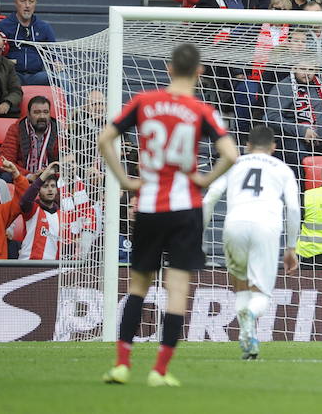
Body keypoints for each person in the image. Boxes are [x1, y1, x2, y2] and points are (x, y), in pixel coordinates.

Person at [98, 43, 239, 387]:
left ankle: (121, 365)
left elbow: (105, 139)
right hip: (185, 206)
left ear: (168, 68)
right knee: (177, 289)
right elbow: (231, 155)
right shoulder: (201, 109)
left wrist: (124, 180)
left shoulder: (143, 102)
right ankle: (160, 371)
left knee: (137, 286)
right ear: (199, 72)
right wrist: (204, 179)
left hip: (147, 205)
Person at [203, 124, 300, 361]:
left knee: (241, 286)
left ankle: (247, 336)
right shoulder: (282, 169)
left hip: (234, 225)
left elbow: (210, 198)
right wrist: (291, 247)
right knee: (261, 295)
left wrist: (198, 234)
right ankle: (250, 320)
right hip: (266, 227)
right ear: (273, 147)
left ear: (247, 146)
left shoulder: (233, 164)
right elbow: (294, 209)